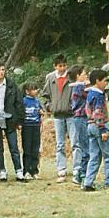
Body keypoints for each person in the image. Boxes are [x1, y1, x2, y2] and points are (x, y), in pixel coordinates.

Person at [0, 61, 24, 182]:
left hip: (10, 119)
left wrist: (19, 120)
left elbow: (19, 103)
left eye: (3, 69)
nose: (1, 72)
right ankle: (2, 171)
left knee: (14, 146)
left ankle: (18, 170)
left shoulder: (12, 85)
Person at [42, 53, 75, 182]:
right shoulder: (50, 78)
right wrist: (50, 107)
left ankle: (77, 168)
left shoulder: (71, 77)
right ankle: (61, 169)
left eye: (64, 66)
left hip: (71, 114)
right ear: (55, 66)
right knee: (60, 143)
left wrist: (73, 106)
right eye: (59, 66)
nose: (62, 68)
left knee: (75, 142)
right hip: (57, 115)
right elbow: (45, 95)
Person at [83, 69, 109, 191]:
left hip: (90, 126)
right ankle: (108, 182)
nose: (106, 83)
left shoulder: (90, 93)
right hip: (99, 126)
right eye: (105, 80)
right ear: (97, 81)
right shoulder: (99, 95)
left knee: (94, 156)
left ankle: (88, 182)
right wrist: (103, 130)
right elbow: (98, 113)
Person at [68, 65, 90, 185]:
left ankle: (83, 173)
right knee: (85, 148)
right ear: (78, 76)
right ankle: (80, 174)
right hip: (80, 119)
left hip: (83, 118)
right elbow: (90, 95)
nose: (86, 76)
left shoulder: (82, 87)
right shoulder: (79, 87)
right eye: (84, 74)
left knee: (86, 147)